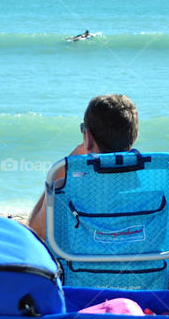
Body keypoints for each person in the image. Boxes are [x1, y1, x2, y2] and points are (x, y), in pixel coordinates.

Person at [27, 94, 139, 240]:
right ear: (134, 137)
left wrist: (63, 168)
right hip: (150, 262)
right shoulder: (159, 179)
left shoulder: (68, 185)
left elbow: (37, 231)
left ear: (87, 136)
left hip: (82, 262)